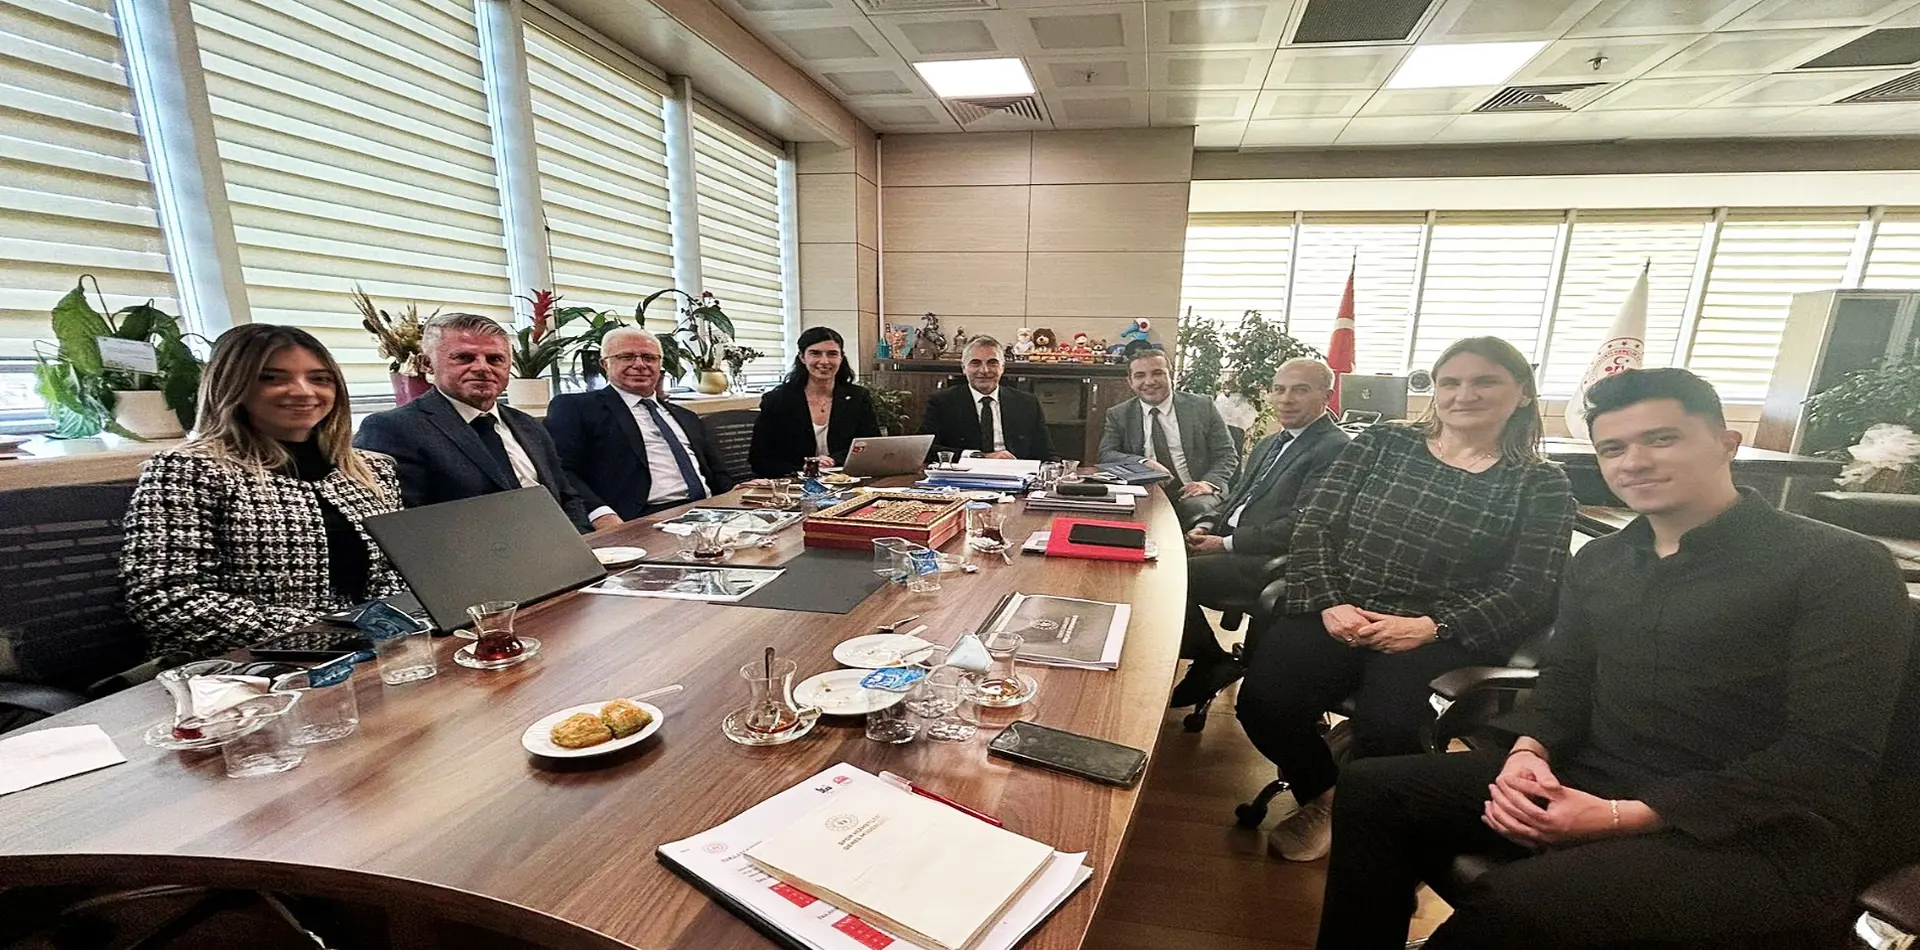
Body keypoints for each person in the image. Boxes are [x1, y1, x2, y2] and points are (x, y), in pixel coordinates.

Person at [1316, 368, 1913, 950]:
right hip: (1599, 773)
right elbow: (1567, 680)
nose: (1635, 462)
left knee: (1514, 904)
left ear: (1726, 443)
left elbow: (1826, 753)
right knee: (1373, 786)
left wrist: (1620, 816)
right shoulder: (1602, 560)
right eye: (1613, 448)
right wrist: (1528, 753)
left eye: (1662, 438)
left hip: (1760, 829)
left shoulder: (1836, 564)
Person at [1239, 336, 1575, 863]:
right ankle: (1327, 795)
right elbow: (1316, 526)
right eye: (1450, 382)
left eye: (1485, 381)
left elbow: (1528, 587)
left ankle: (1363, 809)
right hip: (1344, 607)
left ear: (1523, 393)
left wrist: (1432, 626)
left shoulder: (1541, 483)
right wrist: (1329, 602)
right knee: (1263, 705)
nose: (1464, 394)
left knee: (1389, 730)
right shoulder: (1383, 443)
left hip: (1438, 629)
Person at [122, 325, 409, 659]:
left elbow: (394, 573)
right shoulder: (188, 469)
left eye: (320, 379)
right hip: (244, 667)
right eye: (272, 378)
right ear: (232, 385)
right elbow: (166, 600)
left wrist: (395, 624)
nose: (303, 391)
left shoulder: (371, 469)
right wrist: (328, 630)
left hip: (375, 655)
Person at [1169, 357, 1350, 709]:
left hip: (1275, 560)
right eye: (1279, 390)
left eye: (1300, 390)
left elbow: (1304, 525)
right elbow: (1238, 497)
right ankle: (1207, 656)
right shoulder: (1271, 442)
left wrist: (1225, 543)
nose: (1286, 399)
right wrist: (1207, 524)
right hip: (1238, 545)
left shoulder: (1335, 448)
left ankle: (1211, 661)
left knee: (1168, 579)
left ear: (1326, 396)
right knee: (1152, 559)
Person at [356, 312, 590, 531]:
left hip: (561, 548)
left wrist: (582, 545)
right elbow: (403, 528)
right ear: (427, 364)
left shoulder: (528, 425)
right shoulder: (393, 429)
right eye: (464, 357)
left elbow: (567, 497)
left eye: (495, 359)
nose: (482, 368)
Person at [544, 326, 734, 526]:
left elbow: (716, 472)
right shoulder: (576, 408)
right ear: (604, 364)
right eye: (626, 357)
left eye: (649, 358)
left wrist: (736, 495)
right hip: (641, 517)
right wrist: (600, 514)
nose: (640, 365)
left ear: (660, 365)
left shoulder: (686, 416)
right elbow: (562, 471)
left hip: (709, 511)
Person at [1098, 345, 1239, 529]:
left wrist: (1208, 483)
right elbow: (1106, 454)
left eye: (1157, 373)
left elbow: (1227, 454)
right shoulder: (1119, 414)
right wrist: (1143, 462)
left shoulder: (1202, 406)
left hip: (1196, 491)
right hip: (1147, 491)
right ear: (1130, 381)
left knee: (1195, 508)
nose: (1149, 382)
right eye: (1140, 376)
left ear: (1170, 375)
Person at [748, 326, 880, 477]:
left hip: (846, 480)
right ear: (802, 357)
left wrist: (834, 460)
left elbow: (870, 447)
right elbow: (760, 459)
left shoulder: (858, 397)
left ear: (841, 358)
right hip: (794, 482)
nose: (824, 361)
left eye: (832, 354)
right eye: (815, 353)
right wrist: (807, 466)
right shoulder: (778, 400)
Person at [918, 336, 1056, 461]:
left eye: (992, 363)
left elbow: (1046, 454)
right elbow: (926, 450)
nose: (984, 370)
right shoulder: (942, 402)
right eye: (976, 363)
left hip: (1015, 473)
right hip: (965, 474)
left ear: (1002, 367)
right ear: (964, 368)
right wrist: (980, 456)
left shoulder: (1027, 403)